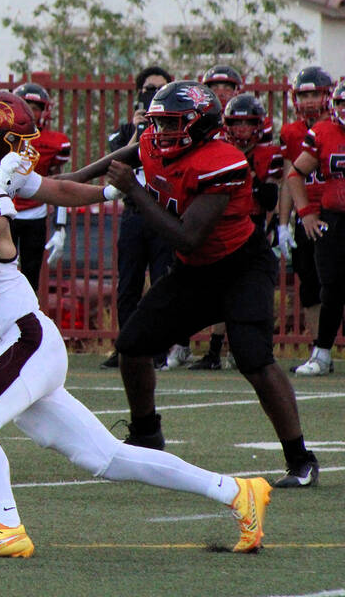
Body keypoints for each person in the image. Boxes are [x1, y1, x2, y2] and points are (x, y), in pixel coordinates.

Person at [0, 122, 272, 559]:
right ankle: (236, 491)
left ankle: (7, 527)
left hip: (23, 337)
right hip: (0, 351)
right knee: (107, 459)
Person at [97, 80, 318, 488]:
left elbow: (186, 235)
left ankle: (300, 458)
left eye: (172, 124)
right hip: (195, 269)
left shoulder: (224, 160)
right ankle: (147, 434)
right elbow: (120, 158)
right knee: (133, 345)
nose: (161, 133)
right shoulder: (155, 142)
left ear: (200, 125)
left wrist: (133, 189)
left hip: (241, 267)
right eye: (159, 124)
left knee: (254, 358)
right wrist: (67, 181)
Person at [189, 94, 282, 371]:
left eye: (247, 123)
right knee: (221, 291)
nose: (241, 129)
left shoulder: (267, 155)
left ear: (258, 125)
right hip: (223, 228)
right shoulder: (217, 152)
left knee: (255, 294)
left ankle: (257, 351)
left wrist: (276, 225)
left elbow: (269, 198)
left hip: (252, 229)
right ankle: (214, 350)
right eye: (236, 123)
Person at [96, 65, 175, 370]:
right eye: (147, 88)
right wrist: (137, 130)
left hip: (163, 214)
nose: (152, 92)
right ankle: (126, 347)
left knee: (160, 283)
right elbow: (116, 162)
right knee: (128, 283)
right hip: (134, 215)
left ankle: (157, 349)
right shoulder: (126, 130)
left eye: (159, 87)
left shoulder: (174, 129)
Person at [285, 79, 345, 376]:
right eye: (342, 103)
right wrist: (306, 213)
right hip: (333, 219)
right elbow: (295, 174)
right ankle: (321, 354)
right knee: (331, 288)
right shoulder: (323, 131)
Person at [10, 83, 71, 292]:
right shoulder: (1, 136)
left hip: (35, 213)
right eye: (25, 105)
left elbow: (58, 183)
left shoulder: (55, 142)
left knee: (30, 278)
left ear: (44, 111)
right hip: (5, 211)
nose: (30, 112)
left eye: (35, 107)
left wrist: (60, 226)